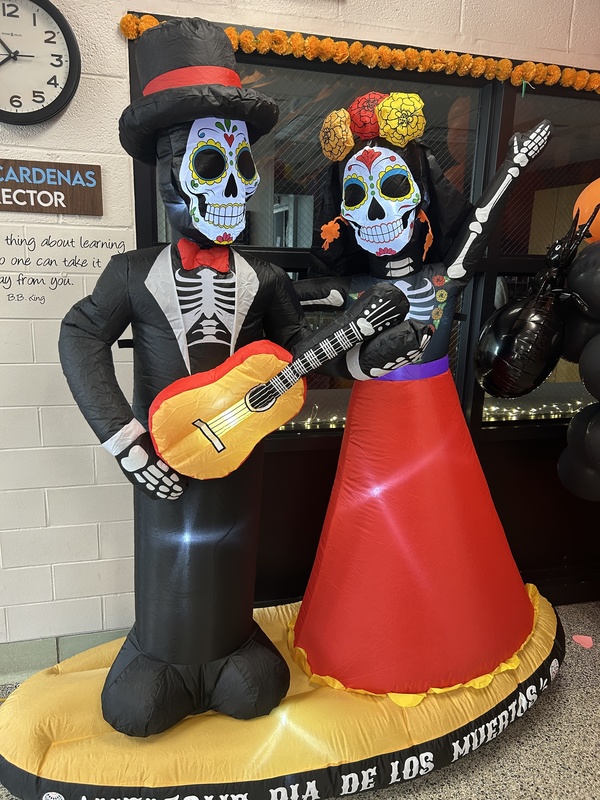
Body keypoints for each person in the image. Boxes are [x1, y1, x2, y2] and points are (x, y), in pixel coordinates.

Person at [59, 19, 427, 737]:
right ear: (169, 175)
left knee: (241, 607)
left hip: (241, 463)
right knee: (139, 692)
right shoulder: (132, 274)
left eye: (240, 168)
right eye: (208, 168)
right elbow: (80, 335)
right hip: (161, 462)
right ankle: (163, 655)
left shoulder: (265, 277)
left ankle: (228, 647)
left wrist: (364, 357)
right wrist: (126, 440)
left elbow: (301, 351)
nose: (232, 189)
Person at [292, 91, 554, 697]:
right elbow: (305, 319)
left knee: (445, 526)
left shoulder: (446, 273)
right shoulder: (353, 284)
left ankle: (459, 631)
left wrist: (512, 168)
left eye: (391, 190)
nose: (376, 212)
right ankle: (368, 639)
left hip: (435, 417)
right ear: (341, 212)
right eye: (356, 196)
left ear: (421, 201)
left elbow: (480, 217)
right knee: (371, 530)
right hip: (377, 419)